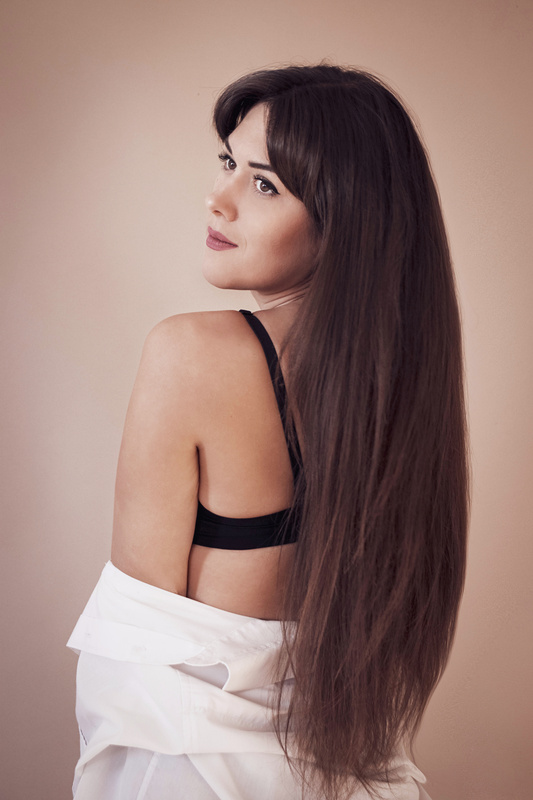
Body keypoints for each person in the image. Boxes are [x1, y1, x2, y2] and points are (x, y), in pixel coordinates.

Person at [67, 64, 468, 800]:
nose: (217, 199)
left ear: (345, 221)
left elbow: (134, 640)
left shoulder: (192, 352)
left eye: (264, 185)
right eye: (229, 163)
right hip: (355, 774)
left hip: (193, 771)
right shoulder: (410, 396)